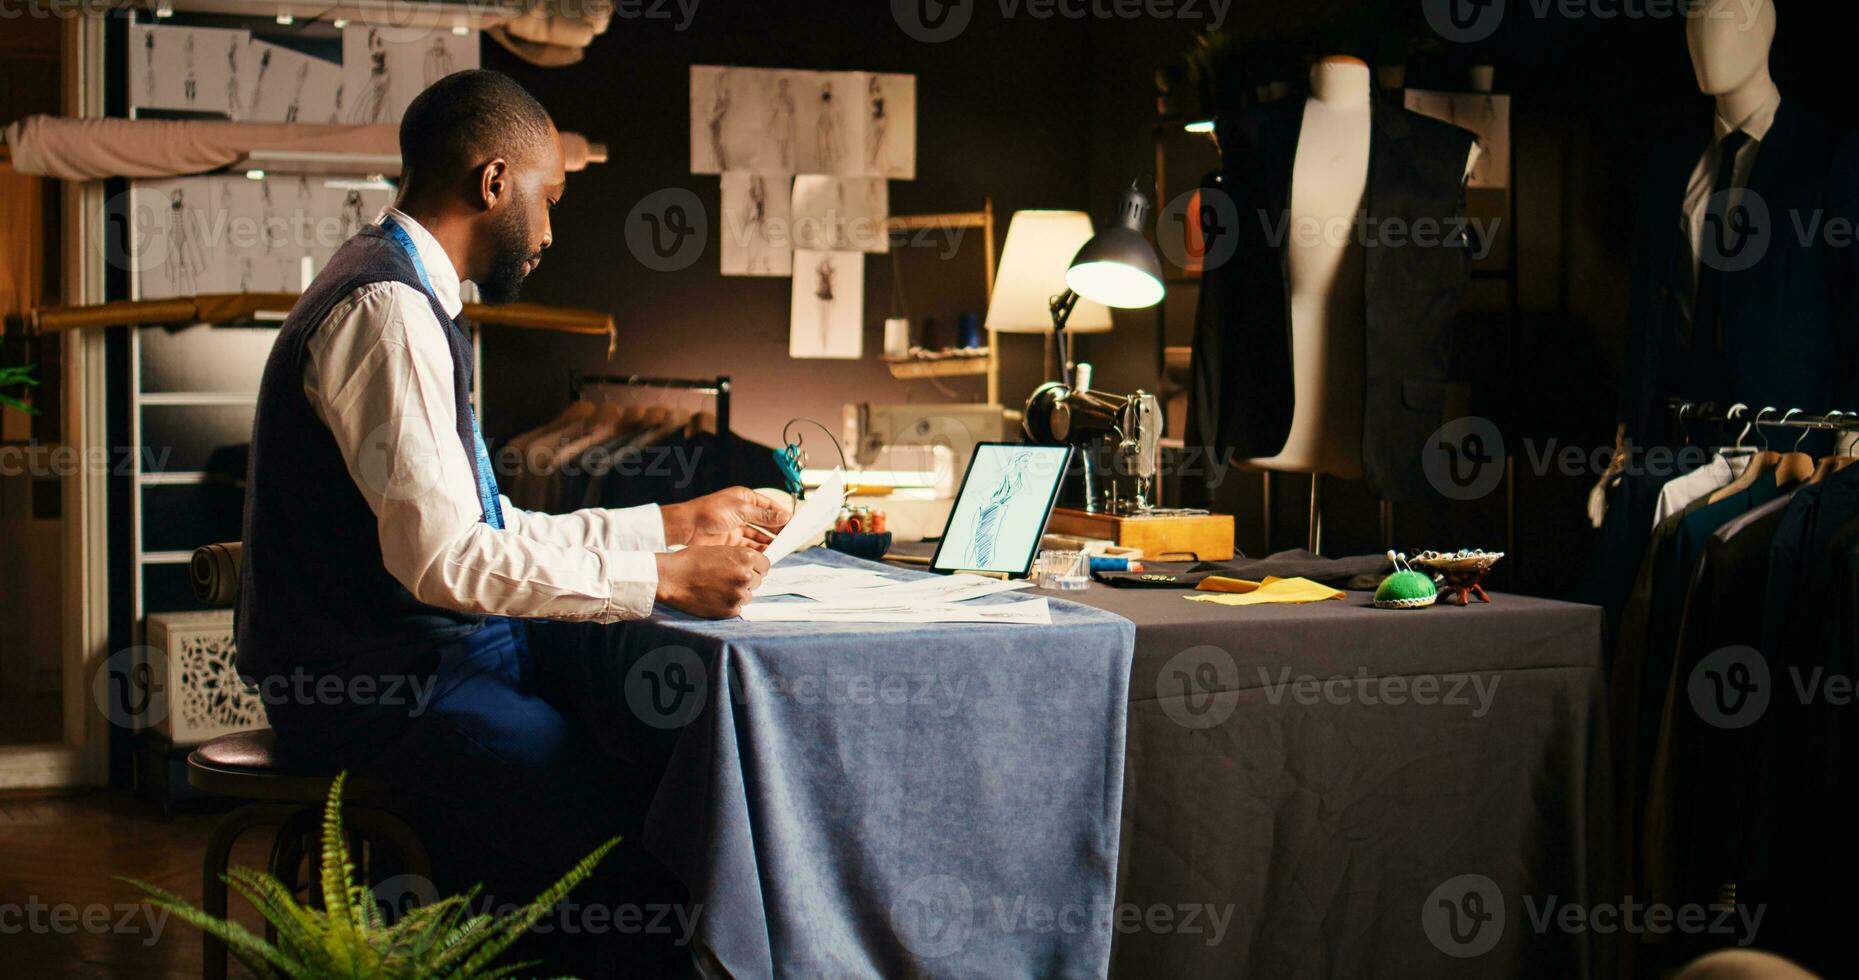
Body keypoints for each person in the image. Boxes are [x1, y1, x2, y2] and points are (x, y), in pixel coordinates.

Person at [235, 69, 787, 974]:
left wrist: (670, 523)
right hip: (381, 699)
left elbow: (484, 525)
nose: (549, 230)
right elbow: (446, 561)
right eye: (548, 199)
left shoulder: (398, 293)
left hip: (409, 675)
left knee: (643, 771)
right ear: (494, 183)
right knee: (648, 866)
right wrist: (663, 579)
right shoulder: (388, 314)